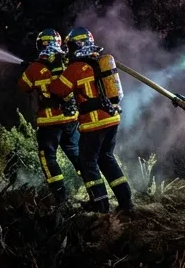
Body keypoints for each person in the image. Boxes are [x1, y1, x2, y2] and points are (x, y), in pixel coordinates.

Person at [57, 27, 133, 214]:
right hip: (112, 119)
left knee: (87, 162)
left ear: (75, 45)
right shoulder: (100, 60)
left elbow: (57, 90)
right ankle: (126, 202)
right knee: (107, 158)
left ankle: (100, 205)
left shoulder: (75, 68)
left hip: (94, 124)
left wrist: (57, 69)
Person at [17, 29, 81, 203]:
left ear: (40, 44)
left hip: (49, 122)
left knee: (48, 158)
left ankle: (61, 198)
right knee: (77, 153)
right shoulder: (67, 61)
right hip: (71, 119)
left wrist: (28, 68)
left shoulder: (35, 67)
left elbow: (24, 86)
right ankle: (95, 188)